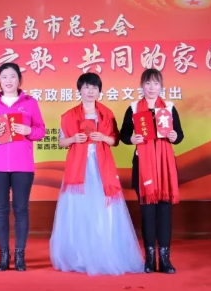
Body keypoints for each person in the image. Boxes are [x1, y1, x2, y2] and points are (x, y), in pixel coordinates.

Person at [49, 73, 144, 275]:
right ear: (79, 90)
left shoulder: (106, 114)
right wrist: (73, 139)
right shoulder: (69, 115)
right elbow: (61, 141)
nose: (90, 91)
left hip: (102, 168)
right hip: (78, 169)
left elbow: (115, 140)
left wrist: (102, 137)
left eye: (94, 88)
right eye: (86, 87)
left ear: (99, 91)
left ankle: (104, 252)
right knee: (79, 209)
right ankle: (80, 256)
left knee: (103, 209)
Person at [0, 62, 45, 271]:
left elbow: (41, 131)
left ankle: (20, 255)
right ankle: (3, 256)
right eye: (4, 77)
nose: (8, 81)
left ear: (19, 80)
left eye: (12, 76)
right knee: (0, 210)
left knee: (21, 210)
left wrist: (28, 130)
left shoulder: (30, 103)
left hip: (22, 165)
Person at [120, 68, 184, 274]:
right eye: (148, 83)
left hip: (165, 167)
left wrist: (174, 136)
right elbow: (123, 135)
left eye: (156, 83)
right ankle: (149, 259)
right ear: (142, 86)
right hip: (143, 167)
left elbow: (179, 135)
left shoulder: (169, 107)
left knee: (165, 213)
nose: (152, 87)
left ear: (161, 86)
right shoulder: (133, 108)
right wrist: (132, 139)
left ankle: (165, 259)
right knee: (148, 214)